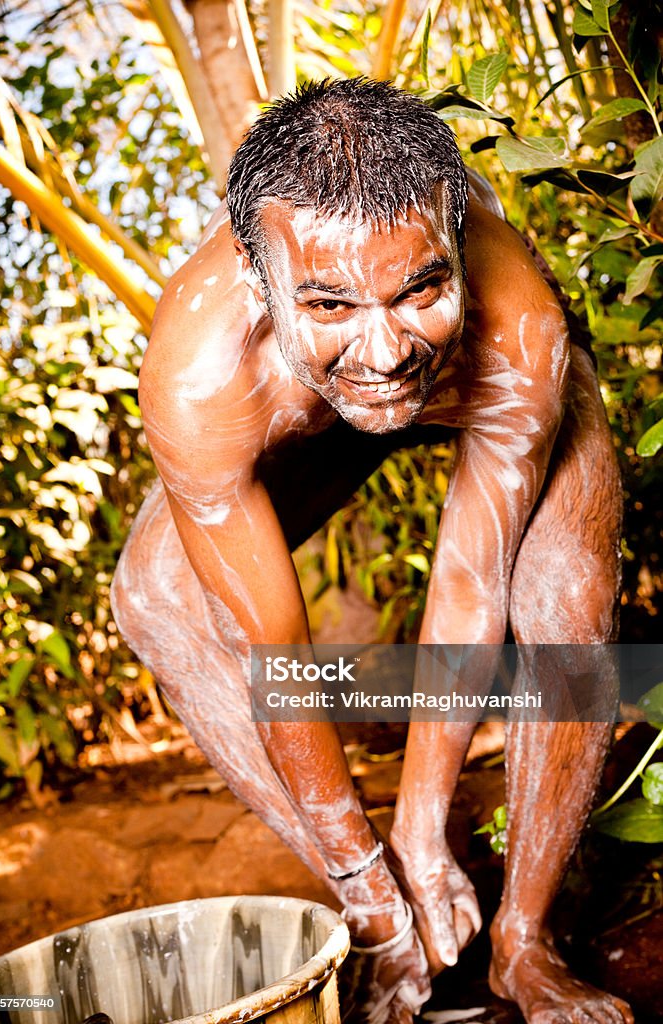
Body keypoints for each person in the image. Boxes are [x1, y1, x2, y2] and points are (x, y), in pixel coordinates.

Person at [111, 78, 632, 1024]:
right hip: (297, 408)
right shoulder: (198, 377)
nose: (385, 348)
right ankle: (377, 915)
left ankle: (523, 941)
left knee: (562, 592)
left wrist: (426, 825)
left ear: (455, 252)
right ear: (258, 280)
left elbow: (473, 579)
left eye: (422, 287)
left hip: (481, 383)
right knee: (154, 596)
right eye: (330, 304)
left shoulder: (517, 325)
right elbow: (277, 652)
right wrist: (368, 880)